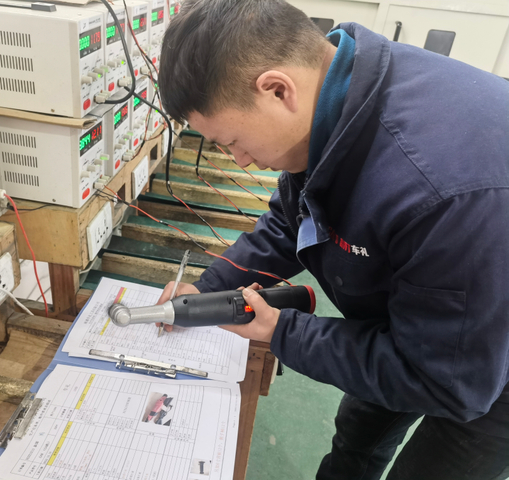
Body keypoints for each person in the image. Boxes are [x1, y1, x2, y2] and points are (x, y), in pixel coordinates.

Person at [155, 0, 509, 478]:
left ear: (277, 90)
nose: (238, 160)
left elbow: (446, 382)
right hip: (423, 301)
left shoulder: (440, 192)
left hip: (484, 357)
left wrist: (281, 331)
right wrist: (211, 285)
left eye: (232, 142)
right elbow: (293, 218)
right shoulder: (340, 97)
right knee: (358, 433)